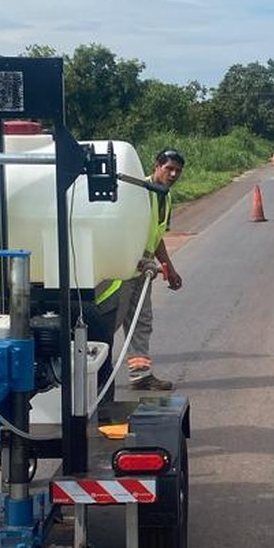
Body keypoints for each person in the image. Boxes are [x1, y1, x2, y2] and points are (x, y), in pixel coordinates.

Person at [113, 147, 185, 391]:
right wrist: (132, 258)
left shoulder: (165, 196)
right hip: (122, 271)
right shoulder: (139, 191)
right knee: (109, 323)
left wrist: (169, 268)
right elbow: (121, 229)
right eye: (169, 169)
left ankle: (140, 375)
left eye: (177, 171)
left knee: (141, 323)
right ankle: (95, 377)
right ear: (156, 166)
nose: (173, 174)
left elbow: (157, 236)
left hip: (144, 272)